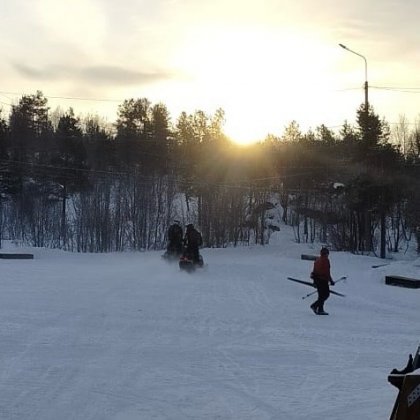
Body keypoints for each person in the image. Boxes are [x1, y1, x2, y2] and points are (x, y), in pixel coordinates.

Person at [310, 247, 335, 315]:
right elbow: (327, 272)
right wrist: (331, 281)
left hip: (317, 279)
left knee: (321, 295)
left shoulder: (317, 260)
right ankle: (315, 306)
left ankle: (320, 309)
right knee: (326, 294)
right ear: (326, 254)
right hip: (323, 280)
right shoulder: (325, 260)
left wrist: (314, 281)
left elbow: (314, 271)